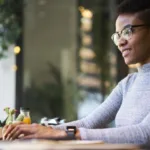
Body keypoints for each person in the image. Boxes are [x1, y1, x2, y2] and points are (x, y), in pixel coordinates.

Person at [2, 0, 150, 144]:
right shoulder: (128, 84)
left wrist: (63, 134)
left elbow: (144, 133)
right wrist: (34, 130)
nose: (120, 42)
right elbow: (89, 123)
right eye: (118, 35)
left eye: (127, 31)